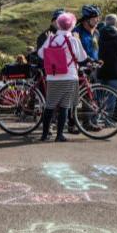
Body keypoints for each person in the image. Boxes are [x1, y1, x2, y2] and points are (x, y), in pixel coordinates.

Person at [37, 11, 88, 142]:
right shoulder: (73, 40)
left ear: (58, 24)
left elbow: (41, 54)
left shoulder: (51, 38)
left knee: (49, 106)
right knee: (65, 107)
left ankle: (44, 134)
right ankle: (59, 135)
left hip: (53, 77)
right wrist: (78, 40)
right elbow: (82, 57)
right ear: (72, 25)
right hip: (70, 76)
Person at [97, 13, 117, 103]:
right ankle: (109, 116)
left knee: (99, 97)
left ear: (106, 22)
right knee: (112, 97)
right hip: (115, 70)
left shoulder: (98, 33)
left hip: (101, 70)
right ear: (116, 23)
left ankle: (98, 116)